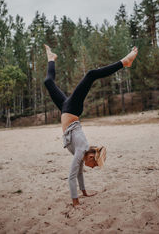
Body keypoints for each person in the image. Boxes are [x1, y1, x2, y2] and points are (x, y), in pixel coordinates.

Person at [44, 44, 138, 206]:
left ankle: (51, 58)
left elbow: (79, 173)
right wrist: (76, 202)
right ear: (91, 156)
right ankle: (124, 62)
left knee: (48, 81)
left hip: (66, 108)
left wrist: (84, 192)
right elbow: (71, 176)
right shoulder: (82, 148)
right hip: (72, 109)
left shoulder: (82, 153)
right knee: (91, 75)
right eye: (95, 164)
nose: (93, 167)